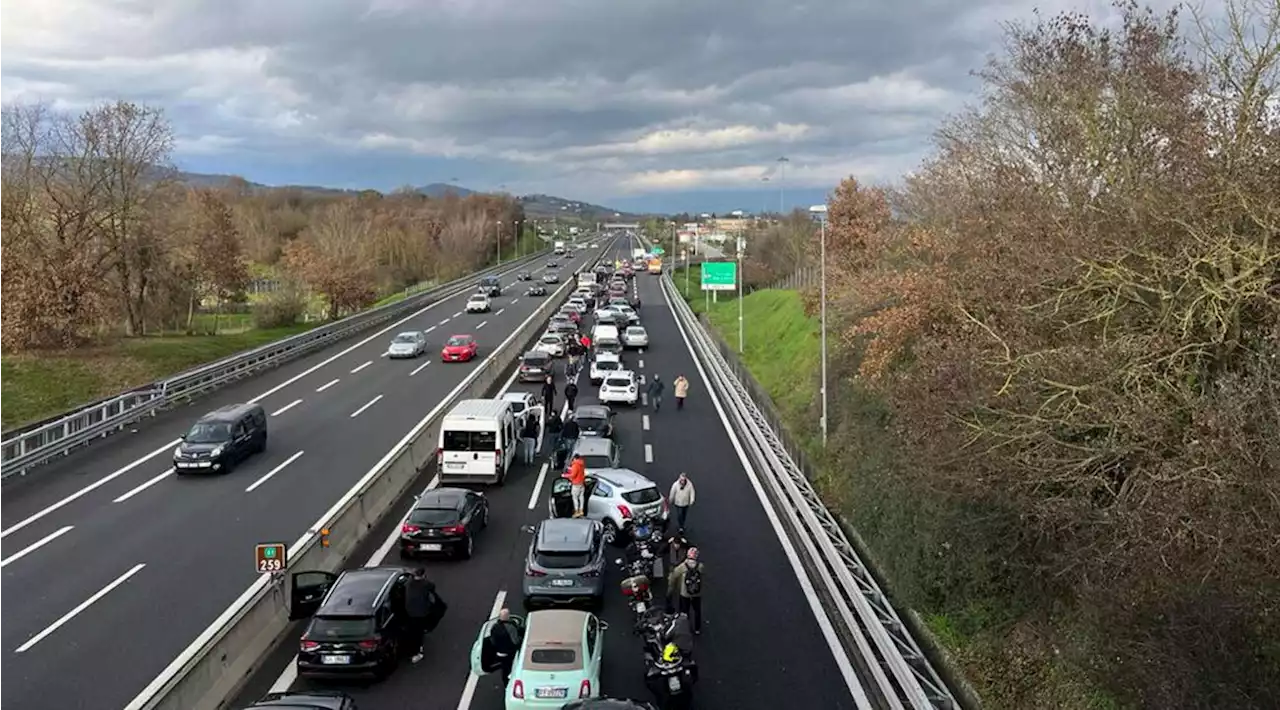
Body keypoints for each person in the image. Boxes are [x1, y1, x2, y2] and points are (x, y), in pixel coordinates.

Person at [404, 568, 442, 662]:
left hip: (409, 612)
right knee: (418, 632)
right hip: (421, 613)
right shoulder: (425, 584)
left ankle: (414, 650)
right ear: (423, 575)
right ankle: (417, 651)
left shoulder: (409, 584)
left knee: (413, 631)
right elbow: (432, 587)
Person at [666, 548, 704, 633]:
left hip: (685, 593)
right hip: (697, 593)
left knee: (684, 611)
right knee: (697, 611)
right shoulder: (700, 566)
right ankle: (697, 628)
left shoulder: (682, 567)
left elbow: (674, 576)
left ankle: (686, 628)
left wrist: (672, 587)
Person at [488, 608, 524, 684]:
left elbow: (492, 640)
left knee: (504, 669)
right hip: (510, 653)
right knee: (512, 669)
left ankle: (505, 682)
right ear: (508, 616)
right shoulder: (510, 627)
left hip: (499, 652)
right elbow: (515, 641)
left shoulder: (494, 627)